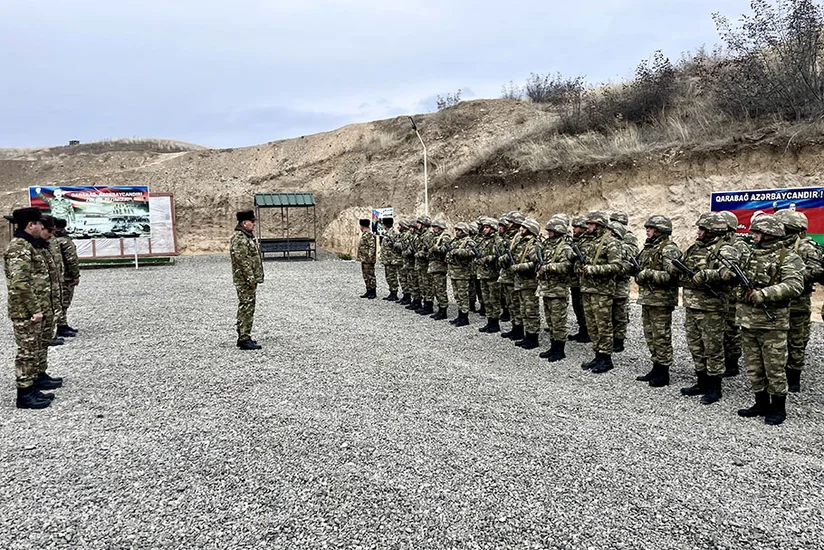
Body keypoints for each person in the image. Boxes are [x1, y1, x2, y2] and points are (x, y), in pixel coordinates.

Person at [736, 214, 804, 425]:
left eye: (756, 232)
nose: (752, 235)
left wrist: (764, 294)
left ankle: (778, 407)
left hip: (772, 322)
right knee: (754, 366)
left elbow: (794, 285)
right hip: (748, 321)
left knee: (774, 367)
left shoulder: (788, 257)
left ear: (768, 234)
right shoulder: (749, 255)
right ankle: (760, 402)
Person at [674, 212, 739, 405]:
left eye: (702, 229)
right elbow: (682, 266)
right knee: (696, 346)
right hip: (692, 305)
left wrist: (706, 275)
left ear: (712, 230)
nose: (699, 231)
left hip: (712, 308)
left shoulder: (725, 249)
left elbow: (731, 272)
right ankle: (701, 381)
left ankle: (714, 387)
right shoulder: (695, 248)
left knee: (713, 348)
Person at [4, 207, 59, 409]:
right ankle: (25, 394)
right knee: (27, 351)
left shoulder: (29, 245)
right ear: (31, 225)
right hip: (25, 311)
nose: (41, 228)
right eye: (39, 224)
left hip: (34, 308)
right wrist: (35, 309)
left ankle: (34, 384)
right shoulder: (19, 247)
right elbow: (20, 283)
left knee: (35, 347)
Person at [773, 209, 822, 393]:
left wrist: (791, 275)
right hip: (777, 301)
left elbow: (816, 272)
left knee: (796, 340)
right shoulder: (776, 246)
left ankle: (794, 378)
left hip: (798, 302)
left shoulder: (806, 247)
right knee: (777, 340)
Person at [634, 215, 681, 387]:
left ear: (660, 230)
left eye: (651, 228)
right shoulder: (648, 248)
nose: (647, 230)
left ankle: (663, 372)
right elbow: (639, 270)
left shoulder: (669, 249)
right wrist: (639, 274)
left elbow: (673, 276)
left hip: (661, 301)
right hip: (647, 298)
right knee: (650, 336)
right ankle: (656, 367)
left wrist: (649, 274)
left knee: (661, 336)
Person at [577, 211, 623, 373]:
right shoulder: (588, 241)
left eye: (591, 224)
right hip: (588, 289)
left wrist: (593, 269)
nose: (587, 227)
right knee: (592, 325)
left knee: (603, 324)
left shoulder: (610, 242)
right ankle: (597, 354)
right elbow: (580, 263)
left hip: (602, 291)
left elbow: (617, 266)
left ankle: (606, 358)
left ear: (600, 225)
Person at [537, 218, 573, 361]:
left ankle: (559, 350)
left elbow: (566, 267)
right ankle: (553, 347)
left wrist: (548, 267)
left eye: (550, 230)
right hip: (547, 289)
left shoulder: (565, 248)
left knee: (559, 322)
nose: (548, 233)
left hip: (558, 290)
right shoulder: (548, 246)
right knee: (550, 320)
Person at [719, 210, 750, 377]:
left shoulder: (739, 246)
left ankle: (732, 364)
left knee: (731, 330)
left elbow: (743, 272)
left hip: (733, 296)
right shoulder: (719, 245)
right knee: (720, 330)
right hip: (720, 295)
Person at [231, 210, 264, 350]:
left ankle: (243, 335)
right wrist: (250, 278)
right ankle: (244, 338)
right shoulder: (240, 238)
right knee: (247, 306)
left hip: (248, 279)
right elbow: (242, 260)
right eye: (252, 221)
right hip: (245, 280)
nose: (254, 224)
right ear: (244, 223)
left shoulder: (246, 236)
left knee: (247, 306)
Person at [510, 218, 542, 349]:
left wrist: (519, 267)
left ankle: (533, 338)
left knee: (531, 311)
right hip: (521, 282)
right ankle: (527, 336)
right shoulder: (521, 243)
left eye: (524, 228)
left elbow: (535, 263)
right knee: (523, 310)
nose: (521, 229)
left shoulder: (534, 245)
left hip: (529, 283)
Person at [608, 221, 638, 352]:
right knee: (609, 313)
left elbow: (628, 265)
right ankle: (610, 338)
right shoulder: (609, 245)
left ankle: (619, 340)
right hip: (609, 284)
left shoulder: (626, 246)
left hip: (620, 284)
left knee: (620, 313)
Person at [476, 217, 505, 334]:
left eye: (487, 227)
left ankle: (495, 323)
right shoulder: (483, 240)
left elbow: (501, 256)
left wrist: (488, 258)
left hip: (493, 274)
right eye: (484, 227)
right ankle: (489, 321)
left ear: (493, 229)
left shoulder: (498, 240)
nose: (484, 230)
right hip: (483, 274)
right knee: (486, 300)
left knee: (494, 300)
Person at [40, 216, 65, 348]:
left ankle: (53, 332)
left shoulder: (48, 241)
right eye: (49, 231)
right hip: (42, 288)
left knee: (56, 306)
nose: (51, 234)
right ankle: (48, 335)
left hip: (54, 281)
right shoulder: (30, 246)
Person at [53, 217, 80, 337]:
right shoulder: (65, 241)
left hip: (57, 275)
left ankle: (62, 324)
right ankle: (61, 326)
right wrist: (75, 275)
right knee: (64, 302)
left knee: (60, 301)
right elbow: (72, 260)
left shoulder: (52, 241)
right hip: (66, 277)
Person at [446, 223, 478, 327]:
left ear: (464, 231)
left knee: (463, 295)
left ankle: (464, 317)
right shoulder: (454, 240)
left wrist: (457, 251)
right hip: (454, 272)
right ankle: (460, 315)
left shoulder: (469, 241)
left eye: (459, 230)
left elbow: (472, 252)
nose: (457, 232)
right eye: (456, 230)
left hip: (462, 273)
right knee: (457, 295)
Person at [499, 212, 524, 340]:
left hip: (513, 275)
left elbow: (516, 256)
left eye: (510, 222)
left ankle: (519, 329)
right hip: (507, 275)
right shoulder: (509, 236)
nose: (507, 224)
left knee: (516, 303)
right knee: (510, 304)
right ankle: (515, 327)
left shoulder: (518, 237)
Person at [568, 216, 591, 343]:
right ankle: (582, 330)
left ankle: (587, 332)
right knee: (577, 306)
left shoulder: (586, 241)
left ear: (583, 228)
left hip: (583, 280)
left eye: (576, 227)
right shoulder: (574, 240)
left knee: (584, 307)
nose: (573, 229)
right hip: (574, 280)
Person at [427, 219, 452, 320]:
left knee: (440, 289)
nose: (433, 229)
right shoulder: (436, 237)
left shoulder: (445, 237)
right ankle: (440, 309)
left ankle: (443, 309)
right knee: (436, 289)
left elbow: (445, 249)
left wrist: (434, 248)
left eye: (435, 227)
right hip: (434, 266)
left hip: (440, 266)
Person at [414, 216, 435, 316]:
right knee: (422, 285)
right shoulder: (420, 235)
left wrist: (420, 254)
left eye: (419, 223)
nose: (417, 225)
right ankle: (424, 304)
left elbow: (429, 251)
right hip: (420, 265)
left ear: (424, 225)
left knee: (428, 286)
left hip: (426, 264)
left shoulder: (428, 235)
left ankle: (428, 306)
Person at [379, 217, 402, 301]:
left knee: (392, 277)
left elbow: (396, 246)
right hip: (388, 259)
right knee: (389, 277)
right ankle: (392, 292)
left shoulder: (393, 233)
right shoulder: (388, 233)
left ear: (385, 225)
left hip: (391, 259)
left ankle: (394, 293)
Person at [356, 219, 377, 299]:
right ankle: (368, 290)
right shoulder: (365, 234)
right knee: (366, 275)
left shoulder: (369, 234)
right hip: (364, 259)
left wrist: (370, 257)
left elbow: (372, 247)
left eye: (360, 226)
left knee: (370, 275)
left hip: (368, 259)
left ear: (362, 226)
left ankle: (373, 291)